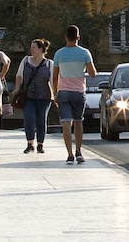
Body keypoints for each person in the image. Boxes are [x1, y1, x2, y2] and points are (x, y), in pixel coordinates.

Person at [51, 25, 97, 165]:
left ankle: (69, 155)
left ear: (65, 37)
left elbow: (55, 76)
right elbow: (92, 73)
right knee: (78, 121)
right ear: (78, 37)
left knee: (66, 123)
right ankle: (79, 152)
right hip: (78, 92)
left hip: (63, 92)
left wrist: (55, 93)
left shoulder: (59, 53)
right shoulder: (84, 53)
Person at [15, 39, 54, 154]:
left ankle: (40, 144)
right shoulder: (26, 60)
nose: (32, 50)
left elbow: (52, 81)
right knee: (29, 118)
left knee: (41, 120)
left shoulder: (49, 64)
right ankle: (30, 144)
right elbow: (19, 75)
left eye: (34, 47)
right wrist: (17, 88)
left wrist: (55, 95)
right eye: (31, 47)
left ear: (41, 49)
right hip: (28, 96)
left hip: (44, 97)